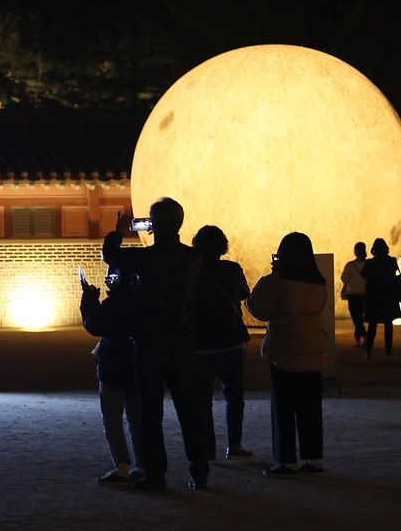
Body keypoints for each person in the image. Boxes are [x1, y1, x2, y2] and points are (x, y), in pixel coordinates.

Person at [101, 198, 209, 491]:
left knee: (151, 413)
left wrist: (119, 231)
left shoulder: (144, 258)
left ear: (152, 225)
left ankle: (155, 473)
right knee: (190, 411)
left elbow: (109, 254)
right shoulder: (194, 258)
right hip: (184, 343)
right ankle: (199, 471)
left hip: (150, 343)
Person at [246, 232, 327, 477]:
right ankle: (314, 460)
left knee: (283, 407)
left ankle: (286, 461)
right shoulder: (319, 283)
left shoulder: (279, 281)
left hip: (285, 351)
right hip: (314, 350)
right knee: (311, 407)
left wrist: (271, 274)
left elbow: (256, 307)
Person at [191, 225, 252, 462]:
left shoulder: (192, 271)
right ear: (222, 246)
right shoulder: (232, 269)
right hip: (230, 341)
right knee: (234, 396)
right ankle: (234, 446)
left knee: (202, 400)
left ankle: (208, 450)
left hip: (199, 343)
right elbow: (245, 293)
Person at [79, 268, 143, 486]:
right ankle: (143, 465)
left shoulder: (114, 304)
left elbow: (93, 325)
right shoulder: (143, 300)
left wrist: (88, 301)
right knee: (138, 419)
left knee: (112, 418)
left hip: (113, 366)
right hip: (139, 364)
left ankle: (121, 467)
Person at [361, 238, 401, 359]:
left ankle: (369, 350)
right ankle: (388, 350)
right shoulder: (392, 261)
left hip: (374, 296)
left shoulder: (370, 263)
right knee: (388, 324)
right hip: (389, 296)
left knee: (372, 325)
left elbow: (363, 275)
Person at [339, 242, 367, 347]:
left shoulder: (350, 265)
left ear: (355, 252)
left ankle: (364, 336)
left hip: (353, 294)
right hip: (365, 294)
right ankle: (359, 339)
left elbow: (344, 279)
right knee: (360, 318)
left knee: (356, 318)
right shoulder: (368, 264)